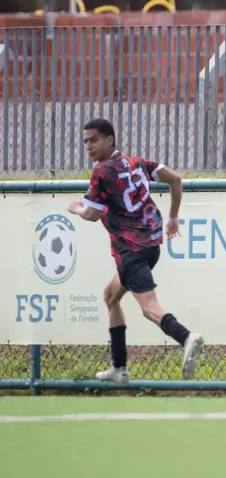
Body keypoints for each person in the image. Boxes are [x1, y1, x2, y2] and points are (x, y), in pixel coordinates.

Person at [67, 118, 204, 385]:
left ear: (110, 139)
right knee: (110, 296)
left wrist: (76, 208)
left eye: (94, 140)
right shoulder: (136, 163)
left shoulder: (101, 172)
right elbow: (175, 180)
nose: (89, 146)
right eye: (85, 141)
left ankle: (186, 337)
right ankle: (119, 368)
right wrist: (173, 217)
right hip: (151, 247)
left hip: (130, 249)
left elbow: (93, 215)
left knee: (149, 307)